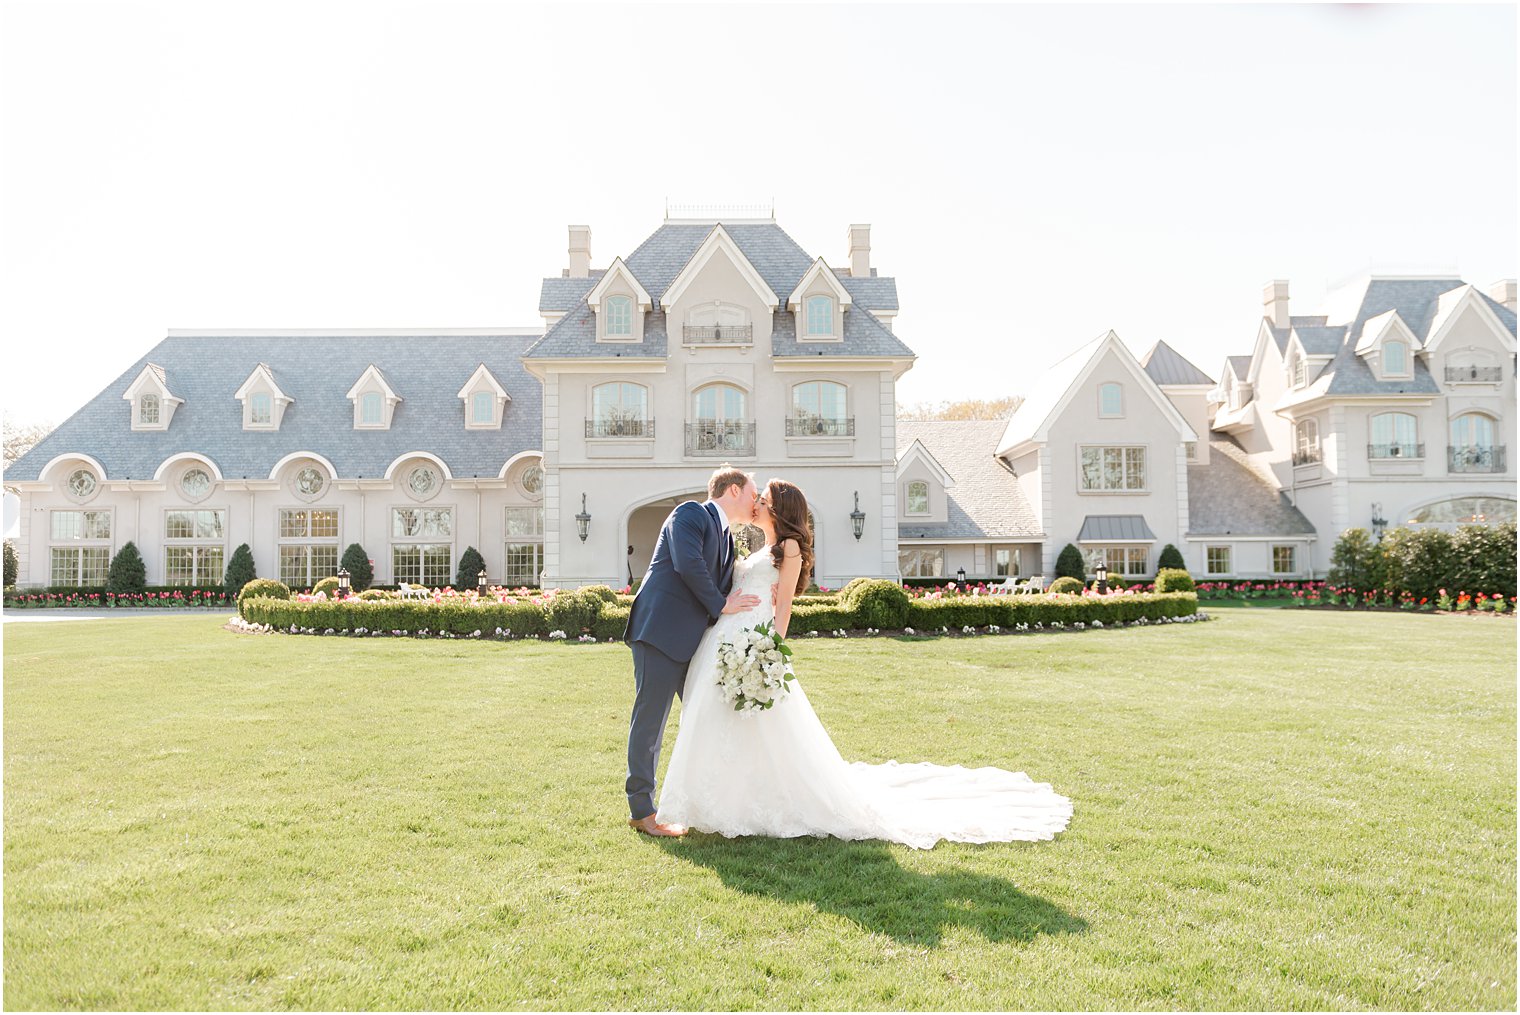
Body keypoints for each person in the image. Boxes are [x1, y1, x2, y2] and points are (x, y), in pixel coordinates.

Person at [656, 478, 1073, 848]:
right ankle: (720, 803)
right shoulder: (757, 546)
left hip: (754, 645)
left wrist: (769, 654)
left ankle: (759, 805)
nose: (757, 504)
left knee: (762, 728)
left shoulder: (789, 547)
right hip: (729, 644)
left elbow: (782, 608)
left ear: (779, 509)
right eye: (757, 498)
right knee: (723, 722)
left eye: (763, 499)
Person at [621, 465, 761, 837]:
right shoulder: (690, 513)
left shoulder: (729, 538)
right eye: (752, 492)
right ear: (732, 490)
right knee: (651, 721)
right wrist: (721, 604)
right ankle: (642, 811)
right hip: (660, 632)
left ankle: (710, 802)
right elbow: (688, 564)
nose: (756, 500)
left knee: (706, 717)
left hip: (693, 641)